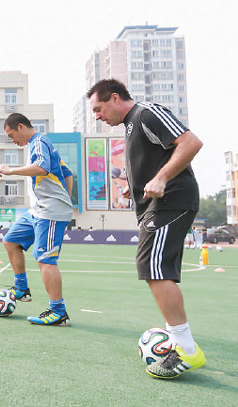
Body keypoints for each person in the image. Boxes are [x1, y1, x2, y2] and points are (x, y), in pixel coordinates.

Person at [87, 78, 205, 379]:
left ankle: (187, 350)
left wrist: (162, 178)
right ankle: (179, 340)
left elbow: (191, 142)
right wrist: (134, 187)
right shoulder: (129, 128)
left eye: (98, 109)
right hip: (158, 204)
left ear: (115, 98)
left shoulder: (146, 113)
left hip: (173, 199)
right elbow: (153, 162)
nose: (97, 116)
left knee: (152, 266)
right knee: (157, 268)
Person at [0, 113, 73, 326]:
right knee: (10, 241)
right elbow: (68, 173)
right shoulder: (41, 144)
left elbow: (42, 167)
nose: (13, 140)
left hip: (50, 212)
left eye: (12, 135)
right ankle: (21, 289)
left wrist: (11, 171)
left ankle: (59, 312)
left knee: (45, 260)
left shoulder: (38, 142)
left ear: (21, 127)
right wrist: (66, 197)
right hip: (38, 210)